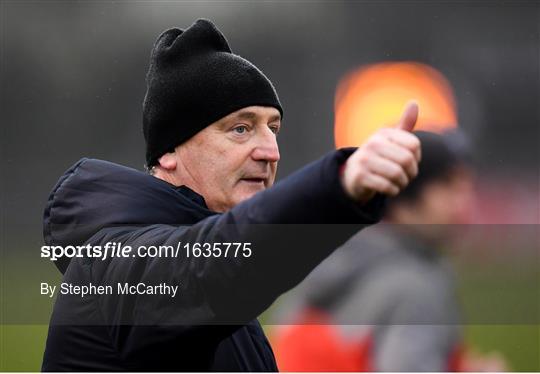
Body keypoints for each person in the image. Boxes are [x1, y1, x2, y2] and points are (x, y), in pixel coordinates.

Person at [41, 19, 421, 371]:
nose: (270, 151)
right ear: (170, 151)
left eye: (274, 129)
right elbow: (214, 265)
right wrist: (337, 187)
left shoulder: (227, 280)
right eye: (241, 129)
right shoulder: (113, 264)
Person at [272, 131, 506, 372]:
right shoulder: (414, 287)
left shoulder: (325, 262)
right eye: (449, 185)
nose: (464, 201)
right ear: (405, 193)